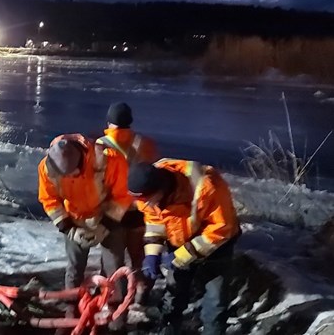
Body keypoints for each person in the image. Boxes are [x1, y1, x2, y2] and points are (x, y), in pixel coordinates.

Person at [128, 159, 241, 335]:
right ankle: (167, 329)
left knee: (215, 300)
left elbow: (221, 228)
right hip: (179, 241)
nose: (145, 204)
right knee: (174, 292)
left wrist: (185, 253)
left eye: (147, 200)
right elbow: (154, 221)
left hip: (217, 246)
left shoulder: (208, 187)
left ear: (161, 189)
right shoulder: (148, 195)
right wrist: (152, 253)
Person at [38, 133, 132, 331]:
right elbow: (49, 200)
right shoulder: (47, 168)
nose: (68, 178)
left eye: (72, 173)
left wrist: (104, 226)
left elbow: (122, 197)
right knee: (74, 267)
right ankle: (71, 310)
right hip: (75, 219)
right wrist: (70, 229)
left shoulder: (109, 160)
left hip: (108, 217)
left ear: (81, 161)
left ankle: (114, 316)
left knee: (113, 268)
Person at [96, 102, 161, 305]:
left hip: (113, 212)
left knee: (112, 259)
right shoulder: (146, 144)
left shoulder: (101, 145)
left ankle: (114, 302)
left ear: (109, 122)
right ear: (130, 122)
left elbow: (97, 182)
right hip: (140, 209)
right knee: (138, 257)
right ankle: (141, 293)